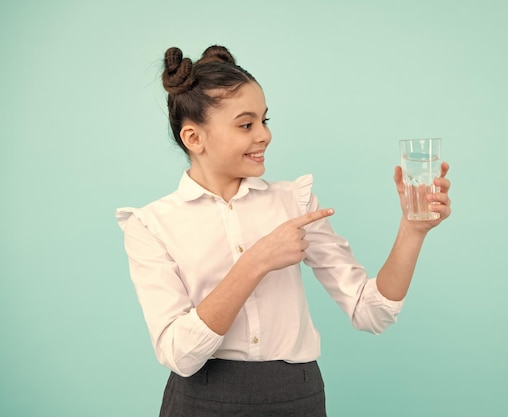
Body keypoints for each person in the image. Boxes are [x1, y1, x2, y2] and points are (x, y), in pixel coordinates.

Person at [116, 45, 451, 417]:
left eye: (265, 121)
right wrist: (256, 261)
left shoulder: (295, 203)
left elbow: (369, 312)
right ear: (194, 138)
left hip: (296, 400)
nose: (264, 136)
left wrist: (413, 230)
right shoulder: (151, 225)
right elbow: (180, 353)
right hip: (200, 402)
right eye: (246, 124)